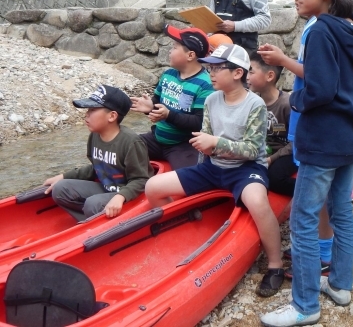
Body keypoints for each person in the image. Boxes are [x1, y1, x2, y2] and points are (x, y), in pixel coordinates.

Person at [260, 0, 353, 327]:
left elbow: (320, 88)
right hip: (350, 137)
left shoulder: (321, 28)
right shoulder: (352, 26)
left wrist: (298, 102)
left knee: (304, 219)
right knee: (341, 210)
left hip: (322, 140)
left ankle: (305, 305)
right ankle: (340, 284)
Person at [145, 43, 284, 298]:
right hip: (212, 167)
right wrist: (206, 148)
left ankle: (275, 264)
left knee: (257, 201)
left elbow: (253, 150)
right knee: (153, 187)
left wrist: (215, 144)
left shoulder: (255, 105)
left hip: (245, 169)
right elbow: (206, 138)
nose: (210, 73)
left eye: (217, 68)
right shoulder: (210, 99)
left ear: (237, 73)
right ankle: (179, 230)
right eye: (209, 67)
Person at [258, 18, 335, 281]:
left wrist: (284, 61)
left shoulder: (327, 29)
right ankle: (319, 251)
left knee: (310, 195)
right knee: (312, 196)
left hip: (310, 138)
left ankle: (321, 257)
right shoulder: (317, 25)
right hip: (307, 135)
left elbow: (321, 79)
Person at [44, 85, 153, 222]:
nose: (87, 114)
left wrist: (121, 196)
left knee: (93, 204)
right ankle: (89, 221)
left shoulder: (131, 142)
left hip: (127, 194)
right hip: (105, 189)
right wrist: (63, 176)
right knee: (60, 189)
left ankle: (96, 224)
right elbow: (96, 167)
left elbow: (141, 180)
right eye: (88, 109)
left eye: (93, 110)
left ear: (112, 116)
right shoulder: (95, 136)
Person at [130, 26, 214, 170]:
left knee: (189, 178)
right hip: (156, 139)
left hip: (184, 146)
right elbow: (158, 102)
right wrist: (150, 106)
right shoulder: (168, 74)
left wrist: (169, 115)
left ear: (190, 55)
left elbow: (199, 122)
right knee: (123, 147)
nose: (170, 51)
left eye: (175, 47)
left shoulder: (205, 84)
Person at [247, 52, 295, 197]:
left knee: (275, 179)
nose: (246, 76)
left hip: (286, 152)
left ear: (269, 76)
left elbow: (296, 143)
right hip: (262, 151)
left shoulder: (287, 104)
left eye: (251, 71)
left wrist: (271, 159)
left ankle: (314, 190)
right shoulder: (251, 102)